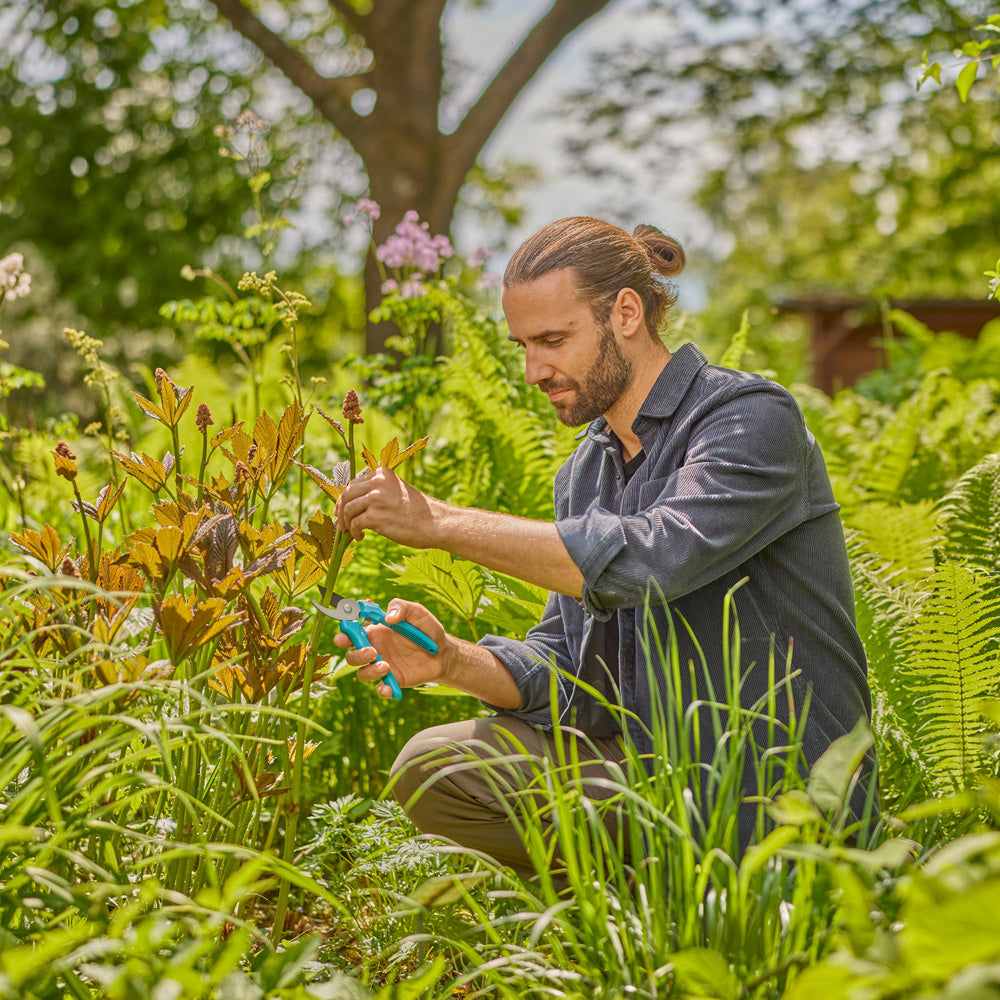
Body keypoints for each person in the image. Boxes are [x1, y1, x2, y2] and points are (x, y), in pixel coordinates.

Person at [334, 216, 873, 876]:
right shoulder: (586, 474)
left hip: (775, 793)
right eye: (523, 345)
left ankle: (706, 908)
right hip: (653, 781)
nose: (534, 369)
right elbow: (571, 672)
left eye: (553, 340)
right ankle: (629, 919)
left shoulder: (748, 419)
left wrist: (438, 522)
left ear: (625, 313)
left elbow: (652, 557)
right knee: (434, 768)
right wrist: (448, 660)